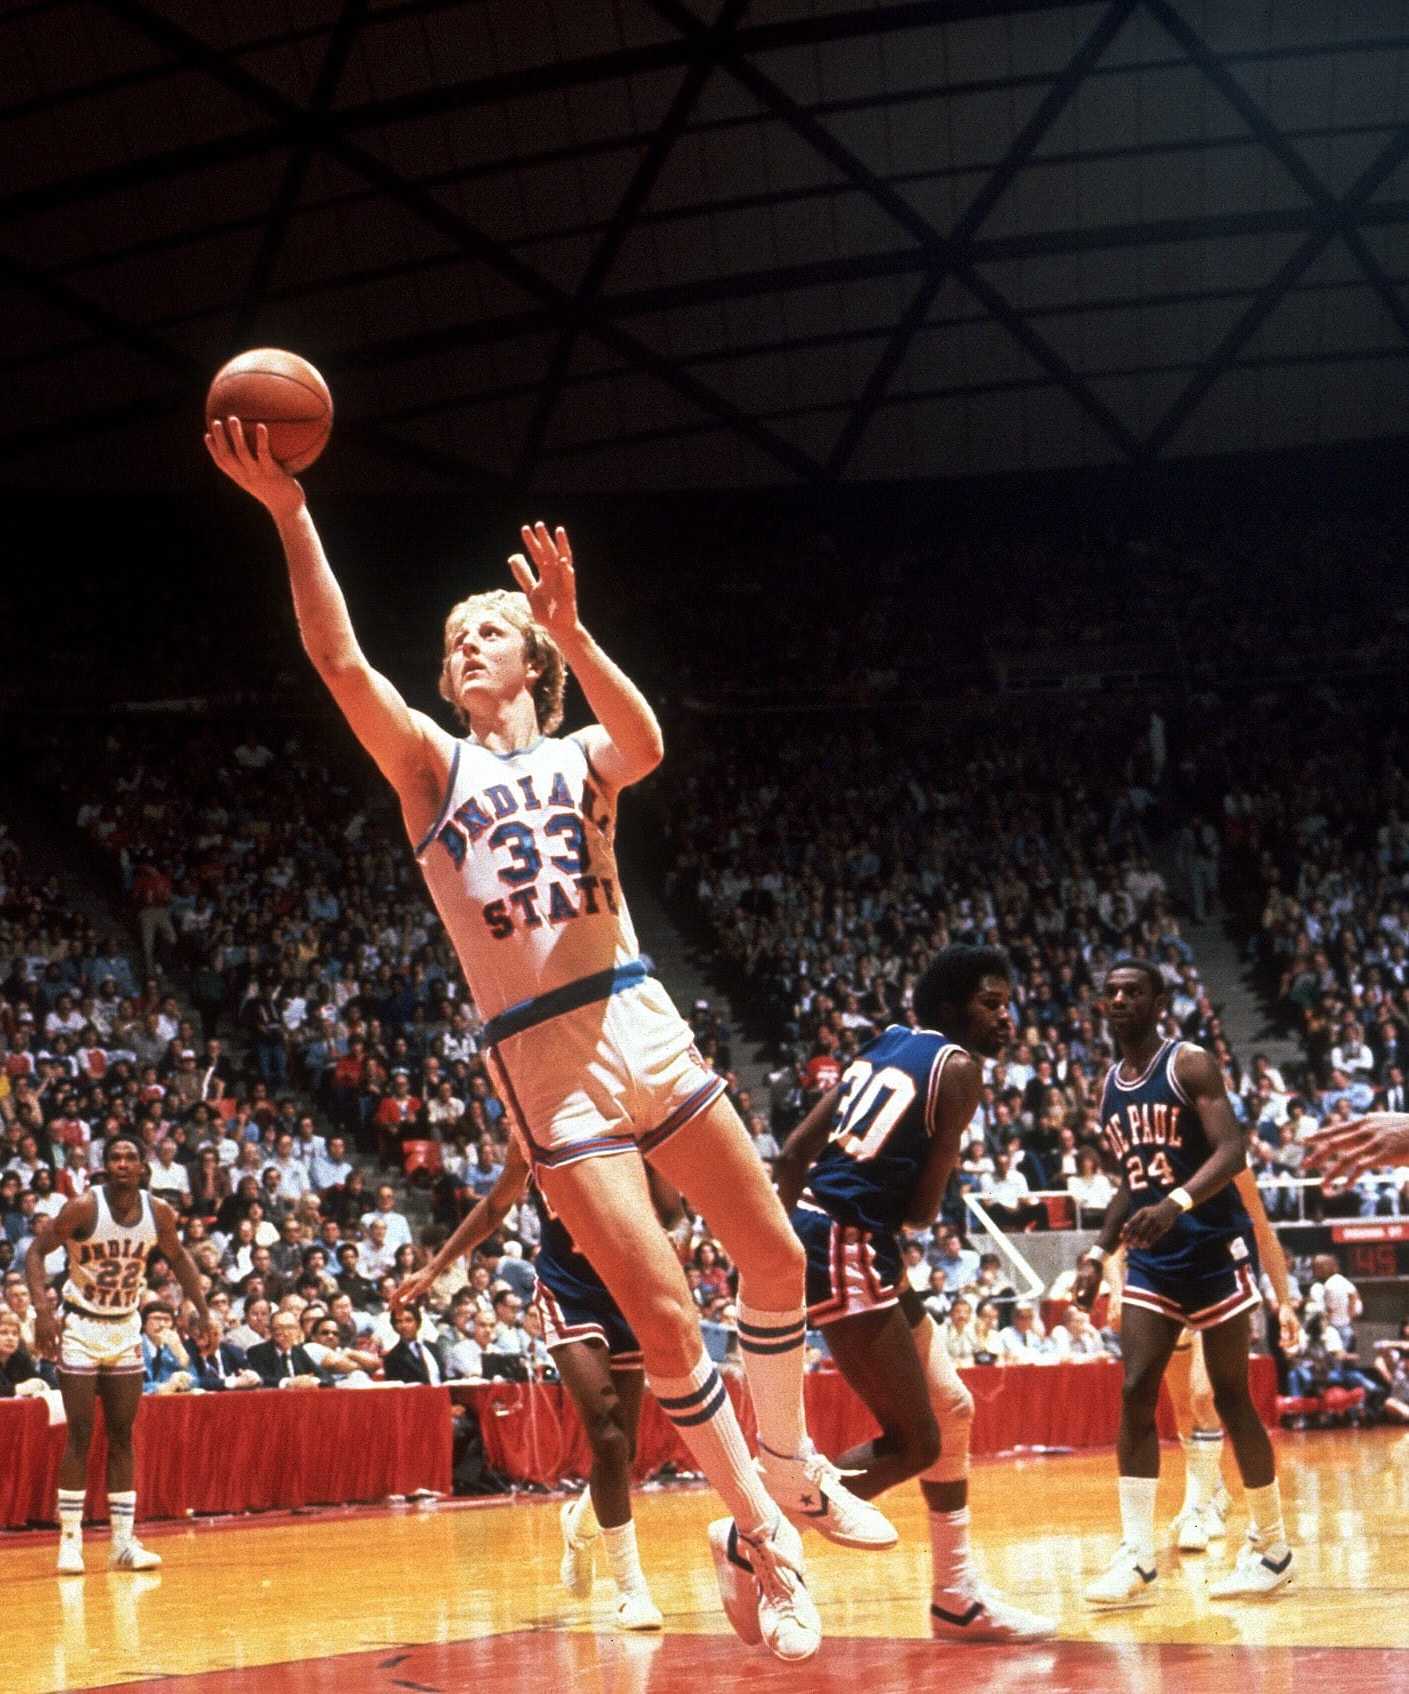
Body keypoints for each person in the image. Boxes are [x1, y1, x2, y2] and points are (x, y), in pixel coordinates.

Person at [210, 415, 893, 1664]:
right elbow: (338, 656)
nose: (462, 646)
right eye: (454, 636)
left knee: (780, 1260)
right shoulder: (429, 768)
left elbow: (647, 744)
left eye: (486, 632)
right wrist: (290, 512)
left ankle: (788, 1473)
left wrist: (577, 625)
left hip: (640, 1011)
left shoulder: (584, 747)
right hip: (541, 1056)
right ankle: (769, 1545)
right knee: (671, 1318)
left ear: (529, 658)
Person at [770, 945, 1055, 1644]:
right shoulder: (959, 1070)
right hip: (848, 1239)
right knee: (916, 1441)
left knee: (952, 1407)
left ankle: (956, 1600)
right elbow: (925, 1212)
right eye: (993, 1004)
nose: (1007, 1018)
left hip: (829, 1231)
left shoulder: (889, 1042)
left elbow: (792, 1154)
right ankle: (757, 1530)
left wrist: (774, 1248)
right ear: (954, 1008)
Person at [1071, 958, 1293, 1607]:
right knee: (1136, 1388)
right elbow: (1128, 1185)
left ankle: (1273, 1548)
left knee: (1229, 1398)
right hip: (1155, 1259)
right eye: (1109, 992)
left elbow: (1233, 1152)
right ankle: (1138, 1557)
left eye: (1131, 991)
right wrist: (1094, 1251)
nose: (1118, 1000)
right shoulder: (1109, 1085)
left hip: (1213, 1248)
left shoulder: (1189, 1062)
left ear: (1156, 1000)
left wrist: (1176, 1203)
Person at [402, 1123, 677, 1631]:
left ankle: (580, 1523)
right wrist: (436, 1267)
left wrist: (650, 1149)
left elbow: (673, 1214)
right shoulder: (531, 1128)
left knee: (624, 1450)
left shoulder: (629, 1118)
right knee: (609, 1436)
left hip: (628, 1289)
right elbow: (493, 1207)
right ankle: (632, 1589)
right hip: (568, 1292)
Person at [25, 1133, 210, 1575]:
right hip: (82, 1325)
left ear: (143, 1166)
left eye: (131, 1157)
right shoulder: (83, 1207)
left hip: (126, 1325)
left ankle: (123, 1544)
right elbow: (35, 1253)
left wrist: (201, 1309)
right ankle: (70, 1541)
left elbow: (180, 1258)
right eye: (115, 1157)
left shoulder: (159, 1211)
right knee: (81, 1433)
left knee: (123, 1433)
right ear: (104, 1165)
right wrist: (42, 1311)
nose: (123, 1163)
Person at [1157, 1165, 1297, 1552]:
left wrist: (1283, 1302)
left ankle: (1196, 1508)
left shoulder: (1232, 1164)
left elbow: (1263, 1233)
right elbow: (1122, 1229)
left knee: (1205, 1396)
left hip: (1220, 1282)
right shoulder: (1153, 1153)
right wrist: (1117, 1287)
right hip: (1166, 1282)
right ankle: (1213, 1491)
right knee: (1183, 1409)